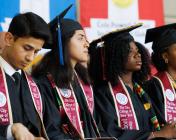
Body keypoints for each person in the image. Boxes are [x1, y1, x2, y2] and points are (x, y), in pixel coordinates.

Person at [90, 24, 176, 140]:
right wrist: (156, 135)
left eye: (137, 50)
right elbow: (110, 132)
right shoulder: (103, 92)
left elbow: (156, 124)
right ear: (116, 56)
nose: (137, 55)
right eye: (129, 51)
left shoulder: (141, 92)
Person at [32, 5, 101, 139]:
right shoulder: (44, 83)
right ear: (63, 42)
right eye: (80, 38)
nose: (87, 44)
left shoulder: (81, 81)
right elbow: (50, 130)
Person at [0, 12, 65, 140]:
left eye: (36, 52)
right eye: (27, 48)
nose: (30, 58)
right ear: (9, 39)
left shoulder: (35, 86)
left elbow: (51, 129)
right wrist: (10, 130)